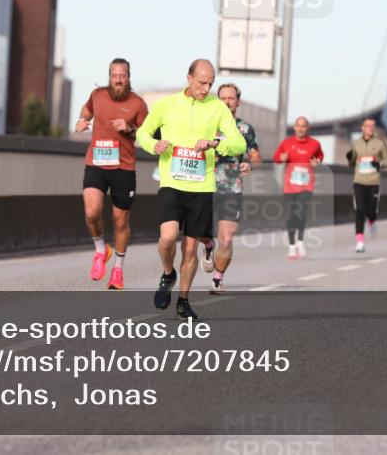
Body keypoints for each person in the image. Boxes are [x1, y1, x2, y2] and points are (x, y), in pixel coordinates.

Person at [135, 59, 247, 320]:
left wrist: (215, 143)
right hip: (172, 183)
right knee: (167, 237)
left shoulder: (217, 108)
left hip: (202, 185)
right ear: (189, 78)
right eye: (202, 82)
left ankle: (183, 301)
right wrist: (154, 146)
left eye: (210, 83)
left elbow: (239, 144)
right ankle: (167, 273)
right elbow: (143, 133)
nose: (206, 88)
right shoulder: (167, 104)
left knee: (189, 249)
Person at [74, 58, 149, 290]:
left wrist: (129, 129)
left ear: (128, 77)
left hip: (123, 168)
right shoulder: (97, 95)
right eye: (114, 75)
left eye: (122, 75)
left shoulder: (138, 104)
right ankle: (100, 251)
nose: (118, 79)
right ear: (109, 76)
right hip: (96, 163)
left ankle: (118, 268)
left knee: (120, 220)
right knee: (92, 212)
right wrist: (82, 120)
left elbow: (147, 134)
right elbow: (87, 110)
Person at [202, 83, 261, 294]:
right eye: (223, 98)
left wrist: (250, 164)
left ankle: (218, 278)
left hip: (231, 188)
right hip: (204, 185)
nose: (227, 102)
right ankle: (208, 246)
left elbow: (255, 155)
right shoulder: (206, 124)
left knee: (226, 237)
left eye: (231, 98)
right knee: (200, 231)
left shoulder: (244, 129)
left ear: (238, 102)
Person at [273, 117, 324, 259]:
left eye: (303, 126)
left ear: (307, 128)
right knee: (290, 216)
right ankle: (291, 247)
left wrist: (317, 162)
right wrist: (281, 158)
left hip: (306, 185)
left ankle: (300, 242)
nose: (301, 128)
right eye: (298, 126)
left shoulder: (315, 144)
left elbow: (320, 156)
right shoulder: (287, 143)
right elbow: (276, 157)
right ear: (295, 128)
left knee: (301, 213)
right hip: (290, 186)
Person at [346, 118, 387, 252]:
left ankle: (372, 221)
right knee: (359, 211)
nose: (370, 128)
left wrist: (379, 164)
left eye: (373, 126)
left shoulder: (380, 144)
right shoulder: (355, 144)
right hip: (359, 181)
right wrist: (350, 158)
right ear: (362, 128)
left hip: (373, 182)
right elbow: (351, 163)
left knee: (371, 211)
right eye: (368, 126)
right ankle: (360, 243)